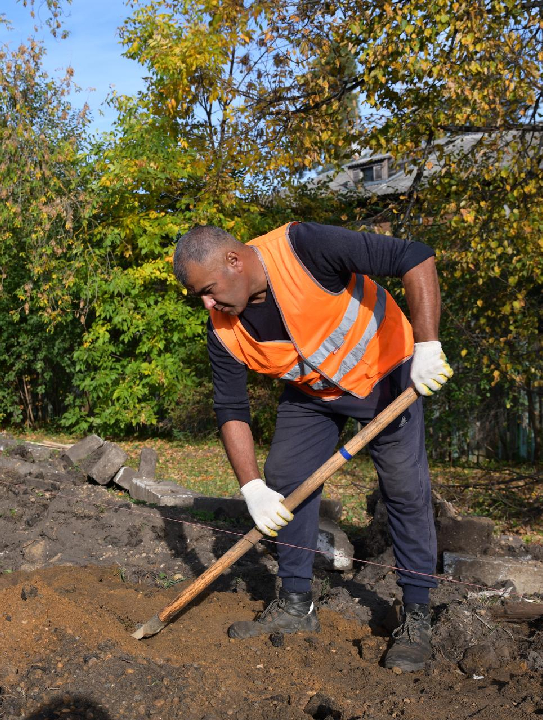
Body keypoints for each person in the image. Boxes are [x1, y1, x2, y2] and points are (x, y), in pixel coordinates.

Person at [172, 222, 453, 672]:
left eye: (208, 290)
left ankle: (417, 616)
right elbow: (230, 408)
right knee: (285, 477)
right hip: (315, 393)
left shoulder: (303, 248)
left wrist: (428, 345)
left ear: (233, 261)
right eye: (199, 297)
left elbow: (415, 255)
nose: (208, 303)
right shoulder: (223, 331)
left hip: (390, 375)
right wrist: (252, 489)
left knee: (404, 488)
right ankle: (295, 605)